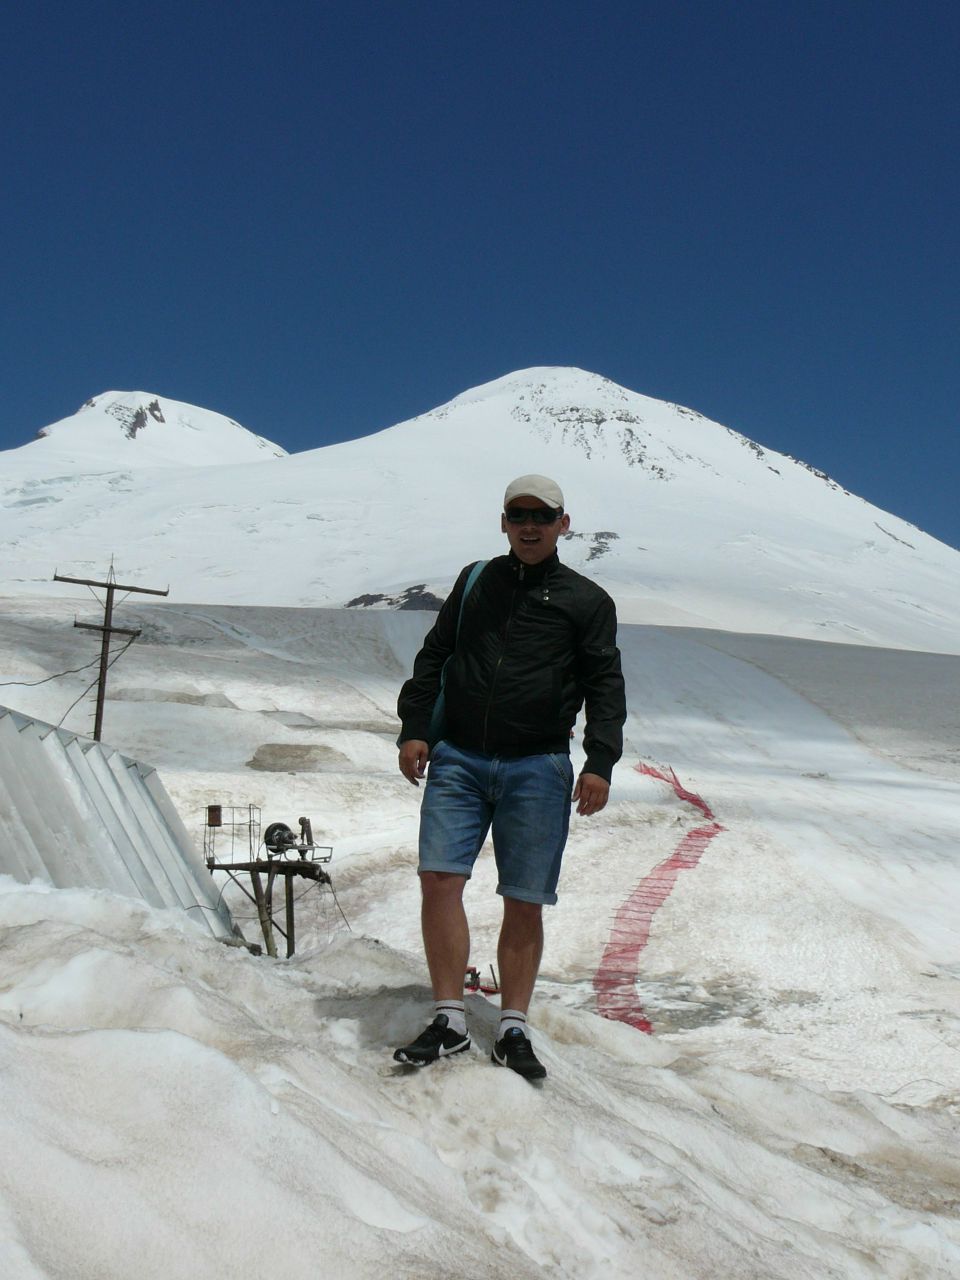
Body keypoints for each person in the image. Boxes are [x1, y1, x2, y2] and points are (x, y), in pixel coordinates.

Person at [393, 474, 626, 1079]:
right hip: (460, 758)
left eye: (542, 517)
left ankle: (513, 1027)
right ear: (503, 522)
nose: (529, 526)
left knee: (524, 898)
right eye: (518, 515)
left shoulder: (587, 601)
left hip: (538, 765)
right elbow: (435, 655)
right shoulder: (477, 583)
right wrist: (416, 726)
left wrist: (599, 761)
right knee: (439, 879)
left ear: (562, 525)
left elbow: (606, 686)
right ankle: (448, 1017)